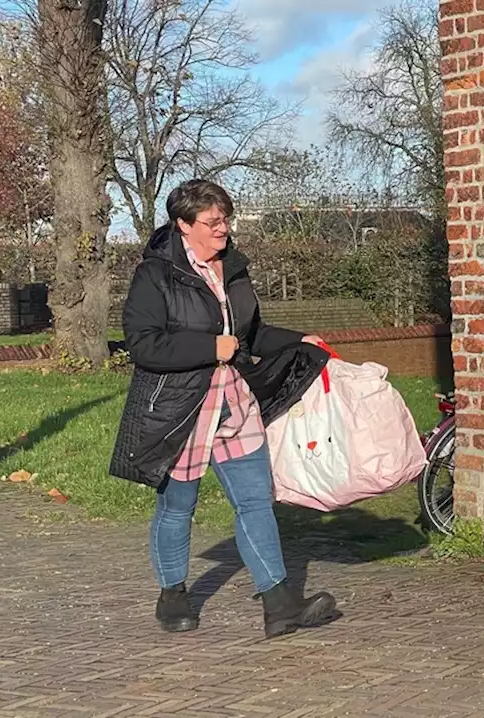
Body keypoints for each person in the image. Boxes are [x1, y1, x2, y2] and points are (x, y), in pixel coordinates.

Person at [109, 179, 337, 638]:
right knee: (178, 506)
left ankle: (279, 605)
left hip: (234, 402)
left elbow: (248, 336)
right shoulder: (155, 275)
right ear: (183, 224)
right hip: (179, 409)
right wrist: (211, 345)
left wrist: (299, 340)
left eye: (225, 219)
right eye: (213, 222)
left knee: (255, 501)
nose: (224, 229)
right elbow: (144, 345)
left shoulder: (232, 267)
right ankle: (172, 594)